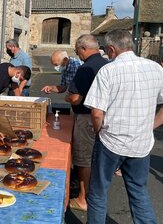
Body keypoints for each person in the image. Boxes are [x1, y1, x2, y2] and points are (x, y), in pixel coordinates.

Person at [84, 29, 163, 223]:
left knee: (98, 191)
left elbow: (96, 112)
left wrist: (98, 131)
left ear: (111, 49)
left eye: (107, 50)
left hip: (111, 140)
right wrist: (149, 126)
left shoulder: (108, 70)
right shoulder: (155, 67)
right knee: (138, 191)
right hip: (141, 143)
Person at [64, 34, 109, 212]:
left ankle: (83, 199)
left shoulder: (86, 68)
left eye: (77, 51)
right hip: (104, 115)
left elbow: (75, 98)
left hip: (86, 117)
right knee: (96, 157)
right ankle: (93, 194)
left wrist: (67, 97)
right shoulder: (107, 65)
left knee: (83, 159)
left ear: (83, 49)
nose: (78, 55)